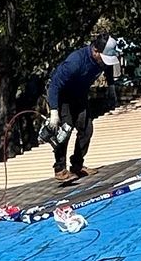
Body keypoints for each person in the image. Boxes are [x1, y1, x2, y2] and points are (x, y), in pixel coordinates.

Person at [44, 26, 115, 180]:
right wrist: (54, 111)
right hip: (63, 96)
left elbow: (108, 68)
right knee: (65, 130)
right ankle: (59, 169)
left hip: (80, 95)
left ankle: (77, 164)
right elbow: (55, 84)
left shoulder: (102, 61)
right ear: (95, 51)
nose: (105, 62)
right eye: (103, 58)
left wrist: (111, 86)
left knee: (86, 129)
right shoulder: (75, 61)